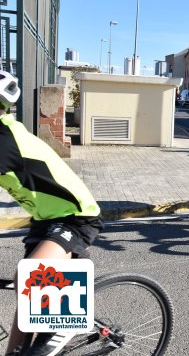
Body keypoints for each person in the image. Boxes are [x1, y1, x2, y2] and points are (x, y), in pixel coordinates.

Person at [0, 71, 104, 356]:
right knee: (29, 297)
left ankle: (66, 323)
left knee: (29, 275)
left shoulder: (4, 139)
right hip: (46, 218)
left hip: (75, 215)